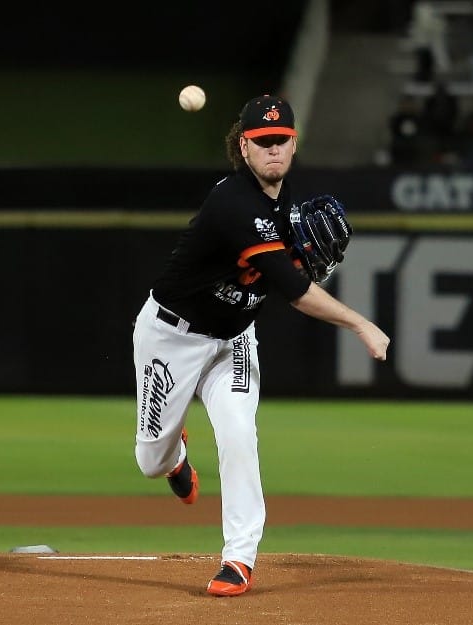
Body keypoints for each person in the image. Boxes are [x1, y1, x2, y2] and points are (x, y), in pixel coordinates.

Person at [131, 94, 390, 597]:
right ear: (244, 149)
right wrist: (360, 323)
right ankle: (175, 457)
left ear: (293, 146)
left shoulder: (290, 205)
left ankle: (238, 559)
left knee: (238, 435)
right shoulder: (233, 201)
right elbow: (293, 291)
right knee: (150, 461)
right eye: (263, 142)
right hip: (170, 336)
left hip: (233, 341)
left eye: (282, 141)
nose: (273, 150)